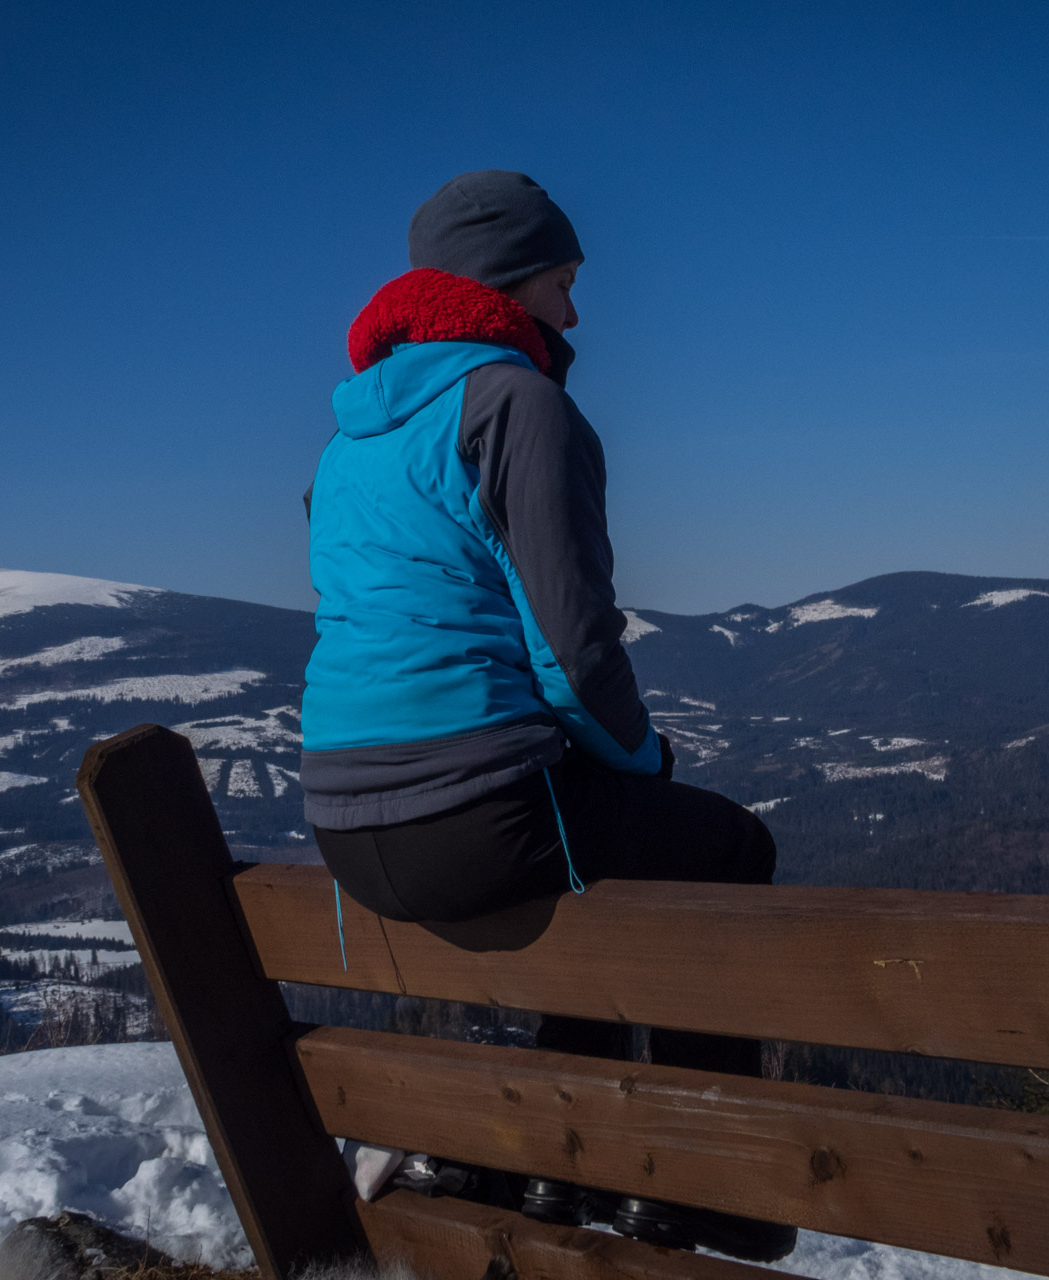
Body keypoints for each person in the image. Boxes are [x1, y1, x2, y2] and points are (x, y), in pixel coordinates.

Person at [299, 170, 794, 1260]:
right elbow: (573, 648)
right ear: (510, 280)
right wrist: (644, 755)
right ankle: (699, 1177)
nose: (576, 313)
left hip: (346, 829)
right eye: (566, 282)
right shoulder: (517, 403)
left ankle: (566, 1162)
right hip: (471, 813)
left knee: (601, 847)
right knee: (725, 843)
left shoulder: (345, 443)